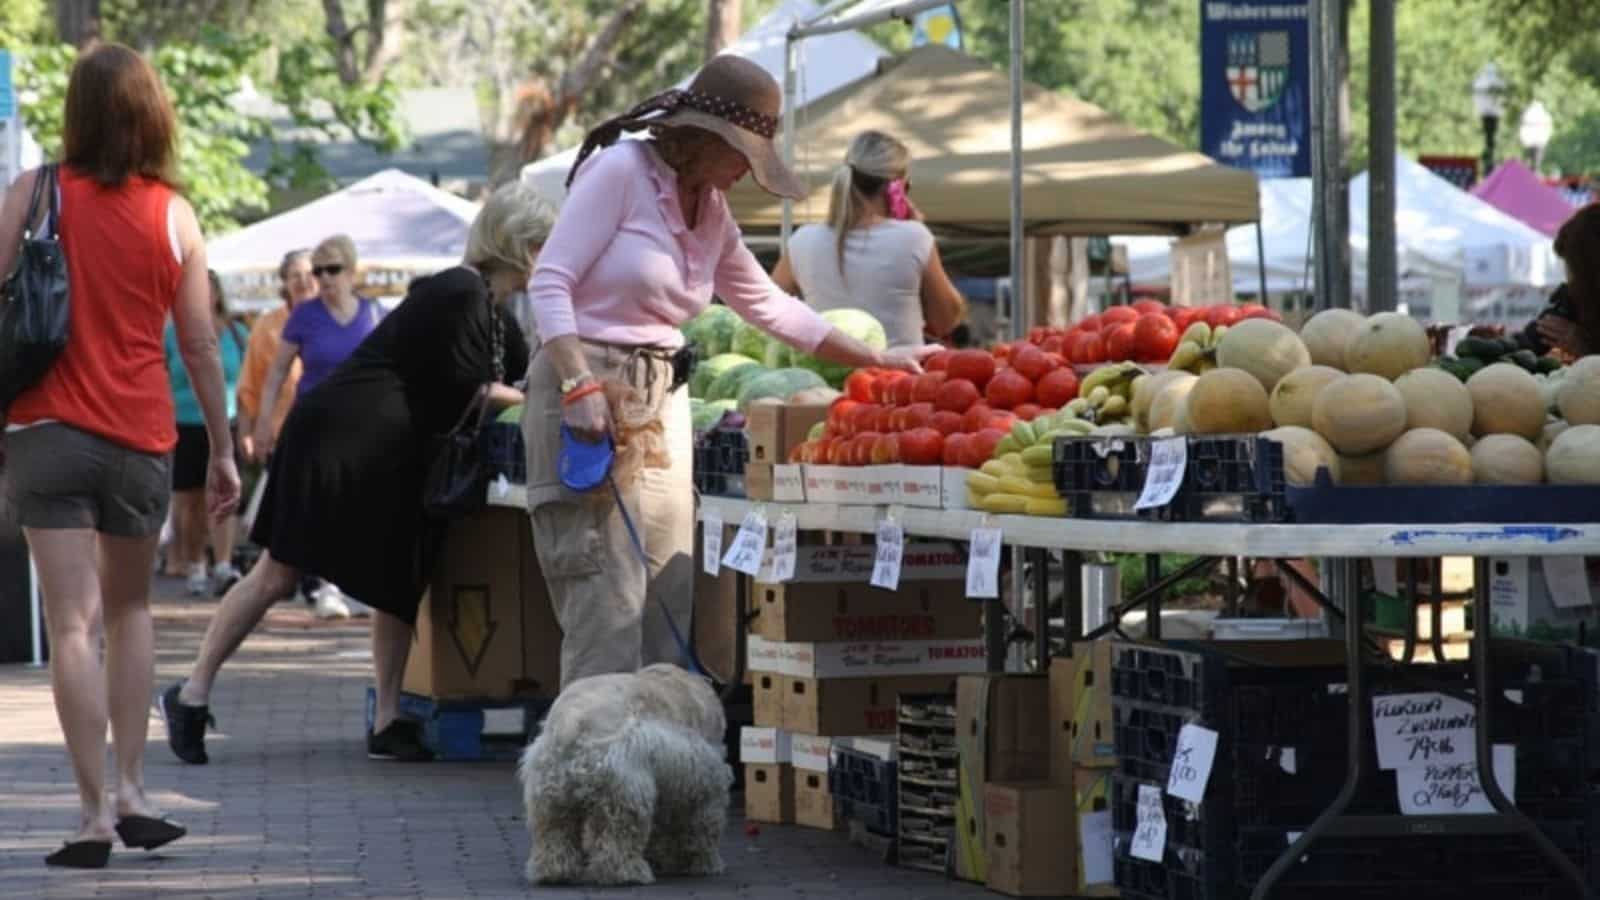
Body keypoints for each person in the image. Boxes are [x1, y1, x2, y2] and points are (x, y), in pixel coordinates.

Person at [523, 54, 926, 692]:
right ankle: (592, 774)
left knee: (668, 586)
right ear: (703, 139)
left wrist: (878, 357)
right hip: (588, 381)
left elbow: (769, 305)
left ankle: (655, 767)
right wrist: (578, 385)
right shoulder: (621, 171)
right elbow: (549, 282)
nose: (747, 172)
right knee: (606, 597)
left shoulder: (710, 209)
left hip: (663, 393)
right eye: (744, 155)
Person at [163, 181, 545, 765]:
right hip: (338, 439)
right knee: (278, 573)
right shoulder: (458, 292)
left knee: (396, 581)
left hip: (392, 454)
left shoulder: (494, 312)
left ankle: (390, 718)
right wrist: (551, 391)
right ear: (516, 244)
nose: (548, 256)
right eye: (541, 244)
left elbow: (517, 374)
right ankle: (190, 694)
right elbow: (467, 389)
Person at [0, 43, 240, 868]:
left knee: (72, 624)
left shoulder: (31, 195)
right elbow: (201, 342)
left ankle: (92, 812)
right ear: (152, 116)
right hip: (141, 435)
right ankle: (136, 790)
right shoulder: (174, 213)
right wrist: (224, 446)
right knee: (132, 612)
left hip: (45, 433)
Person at [254, 234, 382, 619]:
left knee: (360, 506)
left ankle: (359, 585)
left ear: (352, 271)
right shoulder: (305, 315)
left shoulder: (374, 313)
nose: (325, 279)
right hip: (314, 426)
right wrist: (263, 423)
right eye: (319, 271)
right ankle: (327, 587)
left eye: (333, 270)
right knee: (323, 506)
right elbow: (277, 371)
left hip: (362, 427)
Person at [771, 130, 966, 349]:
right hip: (898, 377)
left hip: (824, 375)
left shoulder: (802, 240)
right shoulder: (914, 237)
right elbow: (946, 320)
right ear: (897, 189)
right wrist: (918, 230)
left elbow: (769, 313)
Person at [163, 271, 247, 596]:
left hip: (226, 424)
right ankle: (196, 563)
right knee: (190, 502)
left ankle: (223, 564)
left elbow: (246, 385)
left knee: (226, 497)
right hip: (183, 423)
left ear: (216, 295)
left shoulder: (238, 334)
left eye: (206, 289)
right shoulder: (172, 334)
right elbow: (160, 376)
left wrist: (249, 427)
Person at [236, 249, 315, 465]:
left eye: (310, 274)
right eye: (295, 275)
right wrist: (246, 431)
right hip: (280, 435)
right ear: (285, 282)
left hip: (326, 431)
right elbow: (250, 381)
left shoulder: (333, 321)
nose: (303, 281)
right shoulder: (267, 325)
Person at [1518, 203, 1599, 359]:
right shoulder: (1573, 301)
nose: (1570, 280)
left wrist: (1586, 351)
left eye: (1574, 269)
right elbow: (1528, 344)